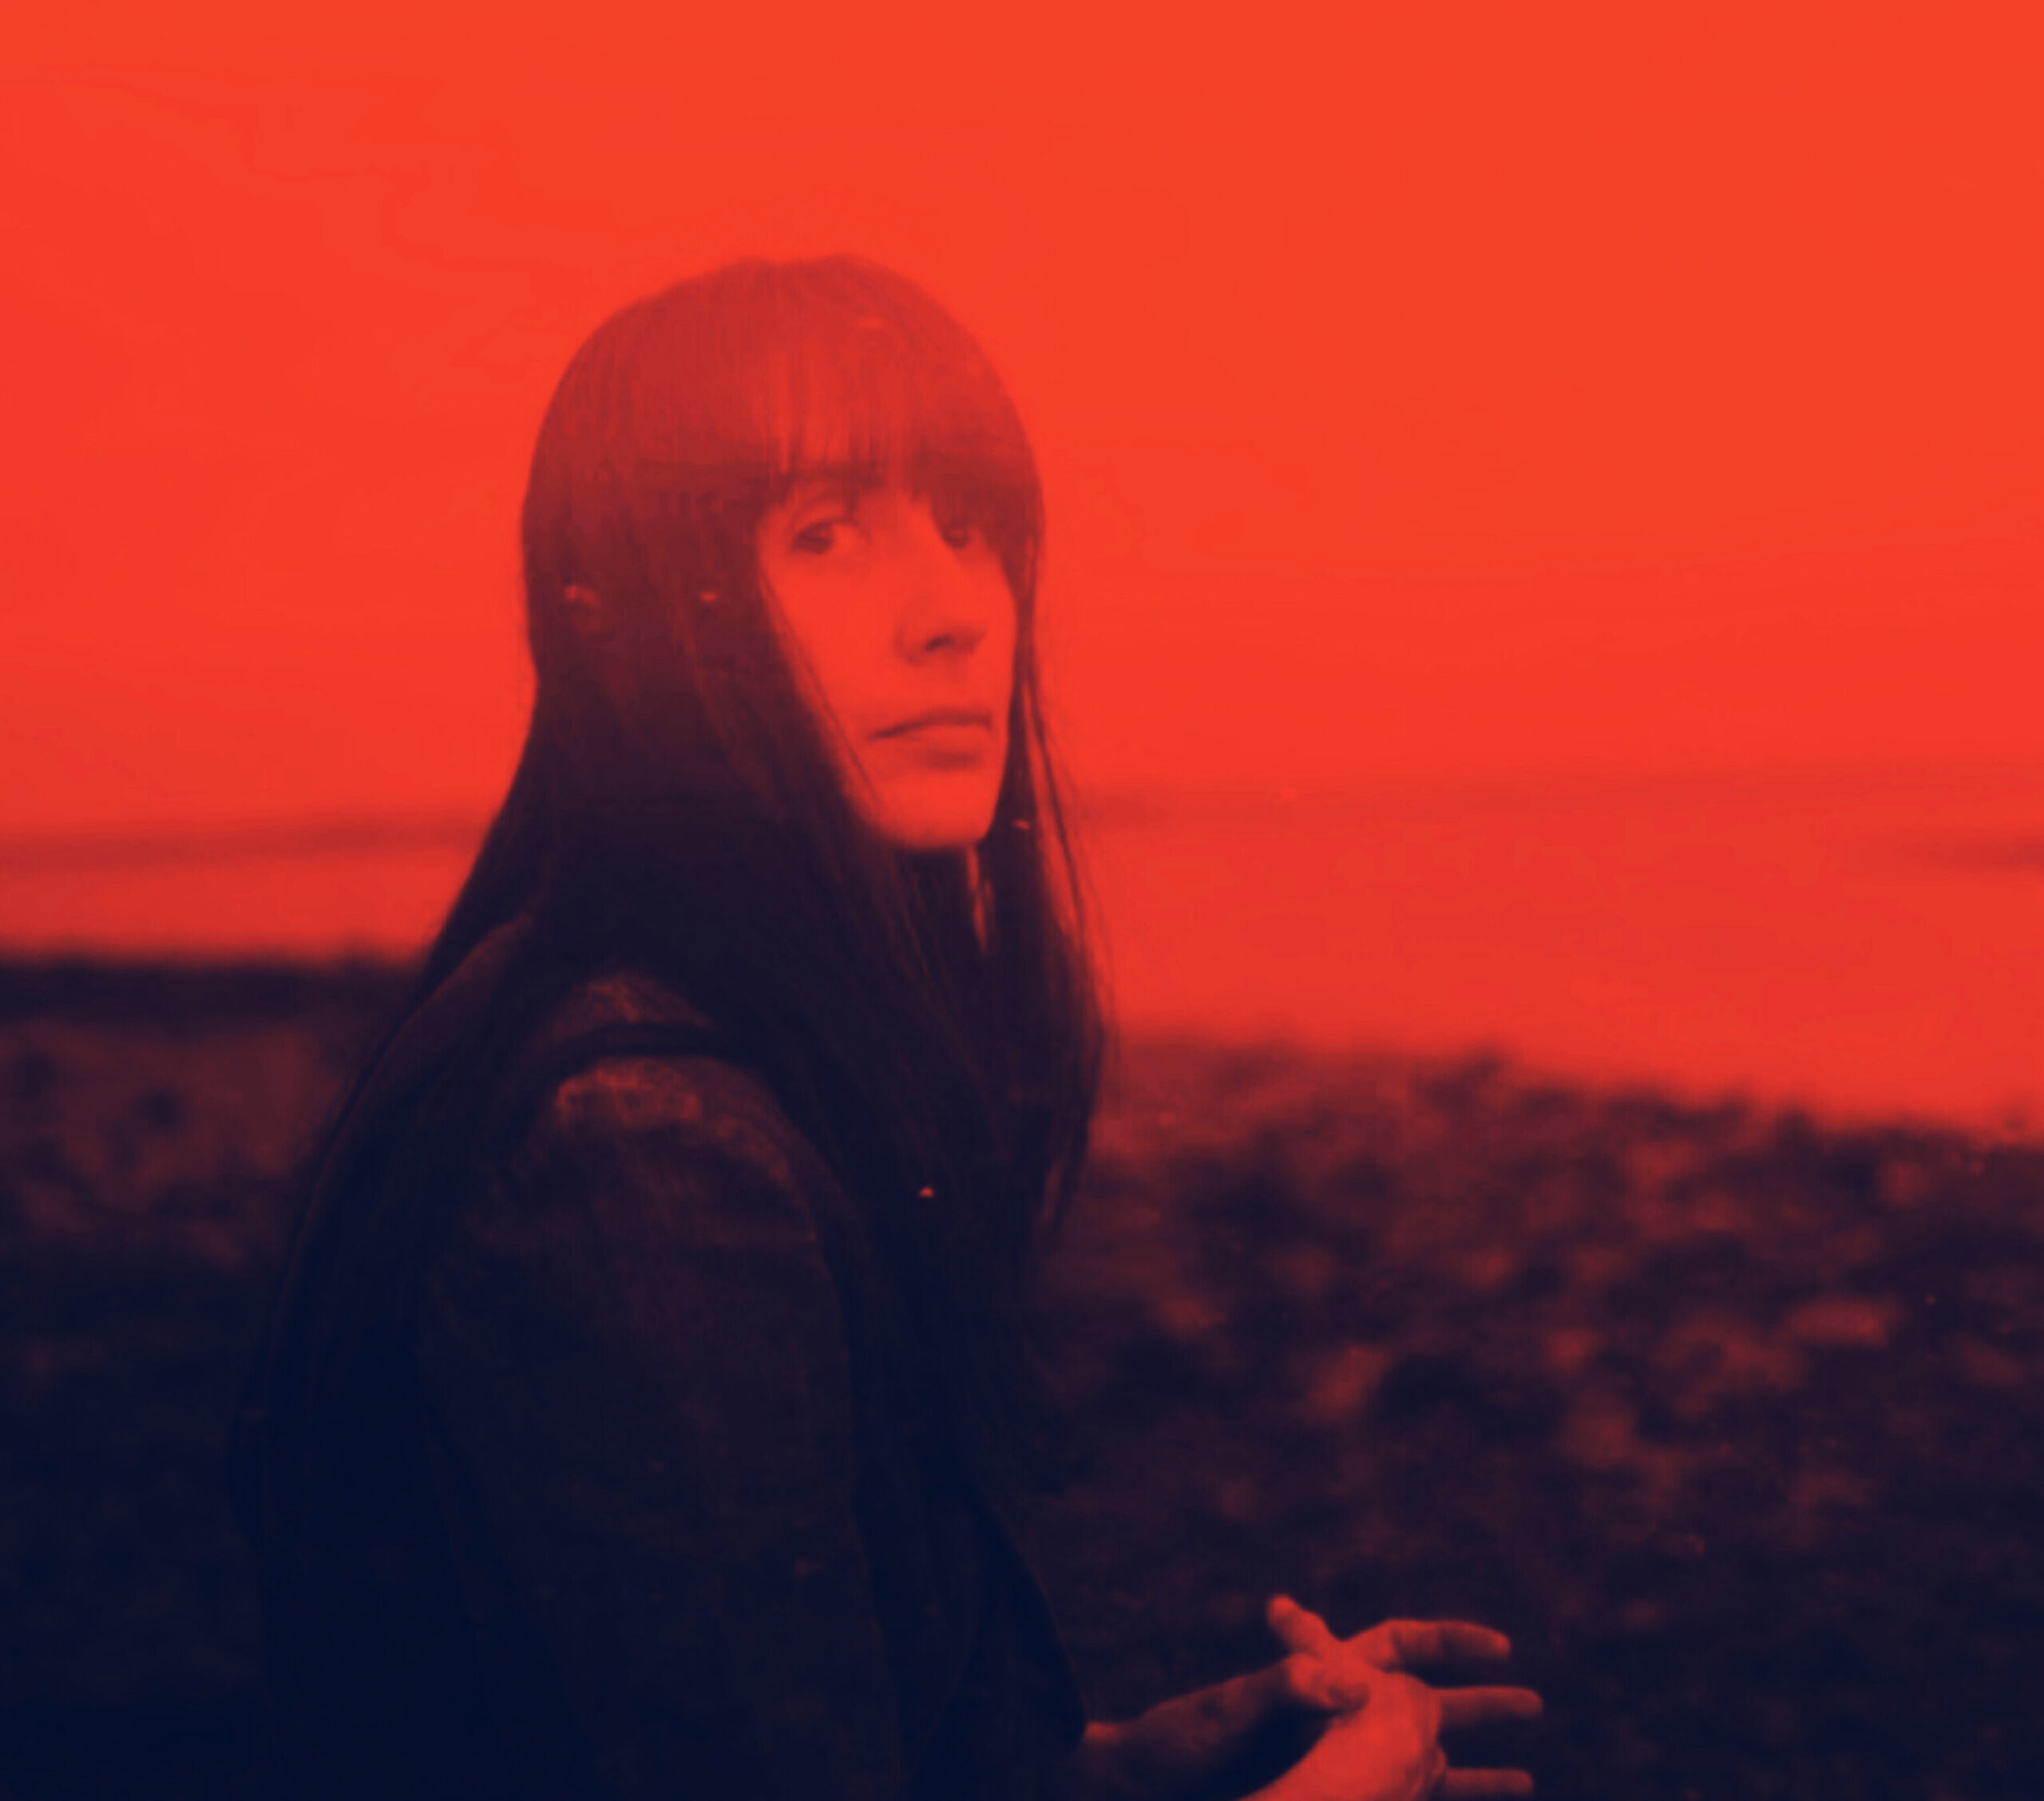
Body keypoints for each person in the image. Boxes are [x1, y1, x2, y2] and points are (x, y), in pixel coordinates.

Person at [229, 255, 1541, 1799]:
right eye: (824, 536)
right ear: (623, 629)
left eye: (971, 526)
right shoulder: (642, 1156)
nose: (953, 615)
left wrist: (1144, 1763)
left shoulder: (704, 1059)